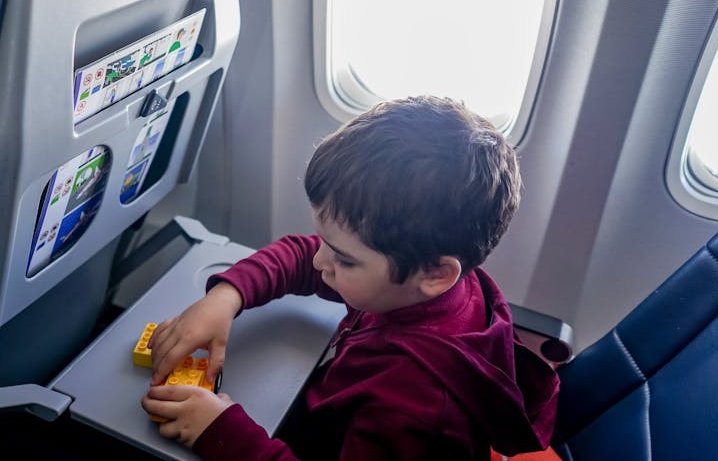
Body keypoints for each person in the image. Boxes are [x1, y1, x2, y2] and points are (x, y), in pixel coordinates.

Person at [141, 96, 559, 460]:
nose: (321, 261)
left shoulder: (411, 410)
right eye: (326, 243)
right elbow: (303, 255)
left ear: (435, 273)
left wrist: (221, 432)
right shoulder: (426, 289)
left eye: (343, 259)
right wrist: (224, 299)